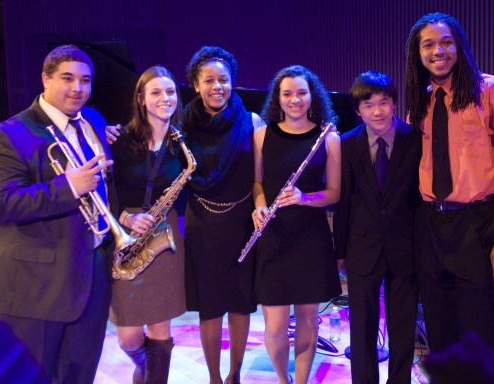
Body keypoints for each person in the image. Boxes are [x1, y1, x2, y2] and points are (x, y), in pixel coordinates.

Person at [0, 44, 116, 383]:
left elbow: (100, 186)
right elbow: (2, 204)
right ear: (45, 78)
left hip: (91, 272)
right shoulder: (10, 133)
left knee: (79, 371)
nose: (78, 88)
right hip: (36, 284)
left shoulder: (93, 121)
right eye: (67, 78)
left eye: (85, 80)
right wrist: (68, 187)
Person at [404, 12, 494, 352]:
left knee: (477, 334)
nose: (438, 51)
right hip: (430, 223)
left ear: (459, 46)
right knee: (439, 328)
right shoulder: (421, 101)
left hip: (475, 225)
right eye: (428, 45)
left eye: (446, 42)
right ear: (417, 54)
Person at [253, 65, 342, 384]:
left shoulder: (329, 137)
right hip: (274, 236)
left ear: (312, 95)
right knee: (275, 327)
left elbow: (334, 193)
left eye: (301, 93)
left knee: (308, 319)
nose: (295, 100)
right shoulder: (262, 135)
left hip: (311, 238)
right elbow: (258, 182)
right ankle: (283, 378)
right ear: (278, 98)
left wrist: (304, 198)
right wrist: (260, 204)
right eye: (287, 93)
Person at [182, 46, 265, 384]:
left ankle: (234, 375)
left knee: (240, 304)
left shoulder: (253, 121)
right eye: (209, 80)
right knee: (210, 306)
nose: (217, 86)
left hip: (242, 222)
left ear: (233, 82)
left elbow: (260, 176)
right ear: (196, 85)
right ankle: (215, 377)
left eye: (224, 80)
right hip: (202, 224)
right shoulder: (182, 124)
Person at [333, 70, 421, 384]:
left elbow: (420, 199)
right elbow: (343, 200)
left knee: (402, 324)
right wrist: (340, 249)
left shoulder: (414, 139)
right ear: (358, 111)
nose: (378, 111)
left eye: (384, 102)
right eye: (368, 105)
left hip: (405, 246)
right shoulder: (346, 143)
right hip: (362, 246)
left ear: (394, 104)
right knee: (362, 326)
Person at [109, 66, 187, 384]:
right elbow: (101, 192)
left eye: (170, 92)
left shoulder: (180, 142)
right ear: (141, 99)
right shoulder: (119, 139)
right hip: (125, 234)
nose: (164, 98)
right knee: (128, 333)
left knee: (159, 327)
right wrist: (125, 218)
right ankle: (142, 364)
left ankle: (155, 377)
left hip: (164, 235)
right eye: (155, 92)